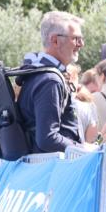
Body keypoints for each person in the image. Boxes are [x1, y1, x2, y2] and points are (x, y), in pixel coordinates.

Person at [15, 11, 96, 154]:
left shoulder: (38, 73)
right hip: (50, 169)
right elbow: (47, 138)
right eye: (76, 39)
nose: (81, 44)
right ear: (55, 40)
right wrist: (82, 149)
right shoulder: (50, 81)